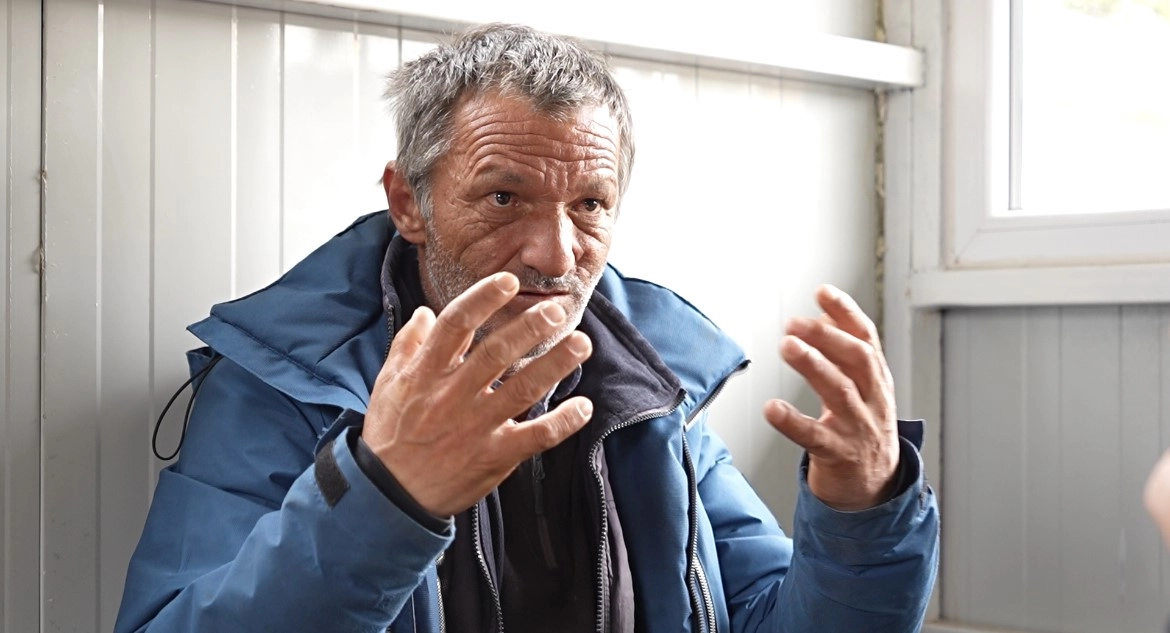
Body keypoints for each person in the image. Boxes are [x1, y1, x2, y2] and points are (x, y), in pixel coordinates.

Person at [114, 23, 938, 633]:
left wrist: (862, 510)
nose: (556, 253)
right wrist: (384, 496)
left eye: (590, 204)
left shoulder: (650, 387)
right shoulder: (283, 386)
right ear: (409, 202)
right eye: (504, 197)